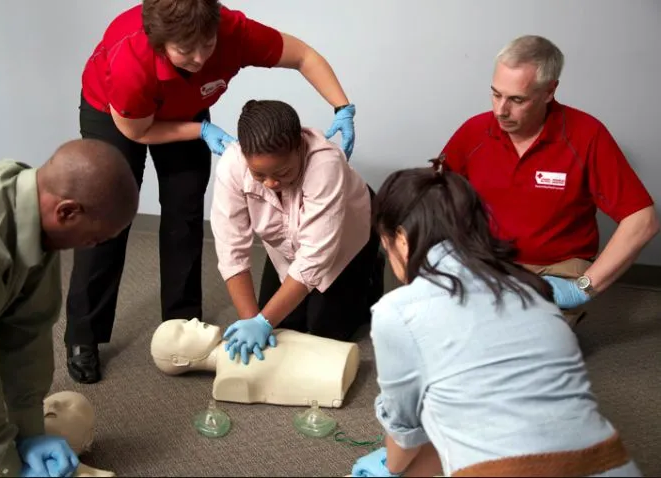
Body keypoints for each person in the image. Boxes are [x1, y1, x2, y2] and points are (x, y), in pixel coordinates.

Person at [67, 0, 359, 384]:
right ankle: (83, 336)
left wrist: (342, 106)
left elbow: (303, 56)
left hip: (185, 108)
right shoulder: (130, 59)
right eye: (185, 51)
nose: (201, 58)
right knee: (107, 220)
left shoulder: (233, 31)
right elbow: (136, 131)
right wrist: (202, 131)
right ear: (160, 43)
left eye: (207, 45)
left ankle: (182, 327)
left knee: (185, 215)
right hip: (116, 116)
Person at [350, 161, 641, 477]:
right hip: (613, 464)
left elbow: (404, 432)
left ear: (402, 239)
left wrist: (391, 470)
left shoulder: (398, 310)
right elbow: (473, 428)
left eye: (385, 243)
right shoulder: (534, 291)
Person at [0, 139, 140, 478]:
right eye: (94, 239)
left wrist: (29, 433)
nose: (91, 247)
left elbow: (27, 336)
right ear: (66, 211)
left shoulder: (34, 211)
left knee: (71, 411)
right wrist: (4, 464)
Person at [440, 34, 659, 326]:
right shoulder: (475, 131)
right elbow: (432, 197)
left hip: (554, 271)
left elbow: (642, 220)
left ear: (549, 91)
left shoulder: (586, 135)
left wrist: (582, 288)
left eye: (517, 99)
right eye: (496, 94)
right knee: (448, 334)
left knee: (523, 351)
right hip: (488, 262)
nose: (500, 110)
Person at [210, 99, 382, 365]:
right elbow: (231, 249)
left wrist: (264, 320)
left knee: (326, 331)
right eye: (259, 175)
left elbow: (314, 257)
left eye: (282, 172)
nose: (270, 183)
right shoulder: (232, 165)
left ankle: (370, 269)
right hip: (287, 241)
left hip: (347, 235)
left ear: (300, 147)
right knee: (286, 327)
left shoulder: (325, 163)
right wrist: (251, 321)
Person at [150, 318, 360, 408]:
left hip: (343, 354)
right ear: (180, 360)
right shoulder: (228, 380)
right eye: (183, 330)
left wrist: (260, 321)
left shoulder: (240, 340)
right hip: (334, 378)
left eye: (186, 321)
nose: (195, 321)